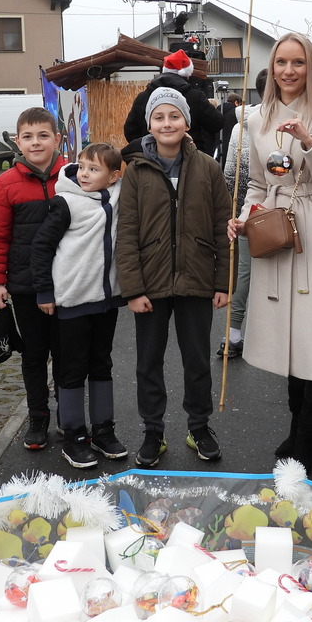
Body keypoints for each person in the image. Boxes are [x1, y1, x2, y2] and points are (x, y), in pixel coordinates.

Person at [228, 32, 312, 474]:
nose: (288, 71)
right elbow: (260, 183)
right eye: (281, 62)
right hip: (276, 229)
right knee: (288, 340)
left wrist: (307, 141)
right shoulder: (258, 117)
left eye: (298, 62)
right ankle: (296, 425)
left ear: (310, 66)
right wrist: (245, 216)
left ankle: (308, 437)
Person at [117, 87, 231, 467]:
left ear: (187, 122)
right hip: (150, 284)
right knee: (148, 361)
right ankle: (153, 430)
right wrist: (132, 289)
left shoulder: (209, 168)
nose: (167, 123)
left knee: (197, 360)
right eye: (159, 117)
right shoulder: (135, 171)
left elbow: (221, 228)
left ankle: (199, 426)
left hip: (197, 280)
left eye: (174, 116)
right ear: (149, 123)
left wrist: (222, 282)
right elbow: (127, 232)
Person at [31, 143, 127, 469]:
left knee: (102, 364)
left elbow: (135, 149)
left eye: (94, 169)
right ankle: (73, 435)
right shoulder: (65, 202)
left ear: (113, 176)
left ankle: (103, 430)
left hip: (106, 301)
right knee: (72, 369)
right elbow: (42, 247)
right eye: (82, 166)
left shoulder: (118, 196)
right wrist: (44, 292)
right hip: (72, 300)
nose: (85, 174)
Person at [0, 107, 65, 450]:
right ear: (18, 141)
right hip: (25, 283)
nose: (36, 143)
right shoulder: (5, 184)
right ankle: (37, 416)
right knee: (34, 353)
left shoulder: (73, 176)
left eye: (43, 135)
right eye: (28, 137)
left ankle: (69, 415)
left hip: (68, 282)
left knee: (66, 353)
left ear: (57, 139)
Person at [123, 49, 223, 156]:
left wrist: (147, 147)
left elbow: (130, 130)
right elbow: (217, 123)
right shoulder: (195, 97)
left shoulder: (143, 97)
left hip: (149, 160)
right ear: (187, 74)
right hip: (190, 159)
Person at [220, 98, 260, 358]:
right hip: (279, 208)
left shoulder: (238, 125)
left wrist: (233, 212)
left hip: (244, 206)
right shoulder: (280, 120)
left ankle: (232, 334)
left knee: (243, 272)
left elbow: (230, 172)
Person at [217, 92, 243, 168]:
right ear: (236, 103)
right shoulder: (236, 113)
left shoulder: (217, 111)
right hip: (231, 144)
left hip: (218, 144)